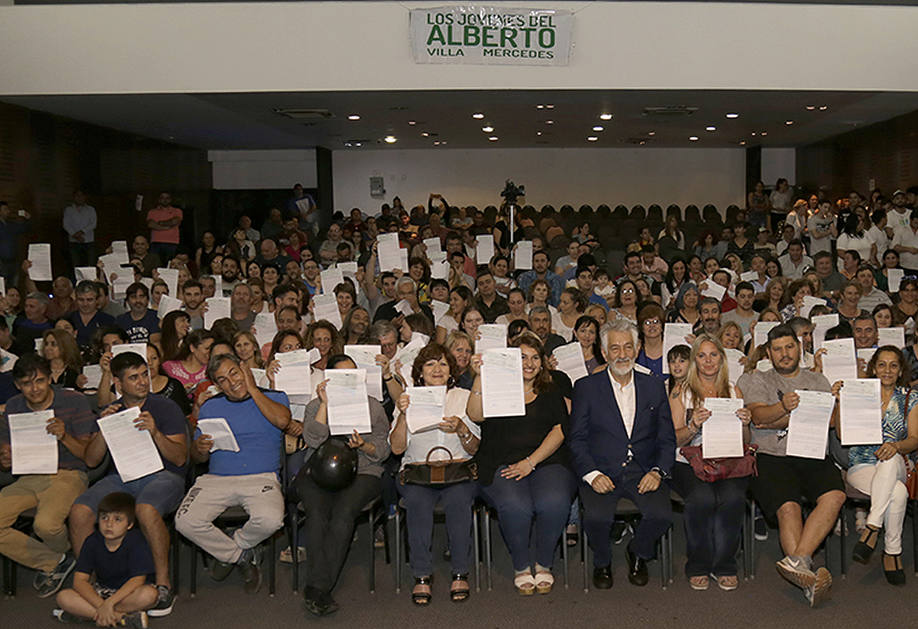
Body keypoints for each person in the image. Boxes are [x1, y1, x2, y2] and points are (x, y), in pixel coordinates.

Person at [70, 351, 188, 617]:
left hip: (163, 475)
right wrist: (104, 427)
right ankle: (92, 584)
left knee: (146, 509)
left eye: (144, 375)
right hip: (121, 478)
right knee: (79, 512)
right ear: (118, 383)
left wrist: (155, 432)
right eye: (134, 378)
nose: (143, 382)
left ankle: (162, 584)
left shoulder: (166, 407)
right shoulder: (112, 411)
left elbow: (180, 458)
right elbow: (91, 461)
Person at [737, 324, 845, 607]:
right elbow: (758, 417)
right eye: (777, 349)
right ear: (768, 353)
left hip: (811, 453)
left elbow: (830, 422)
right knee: (789, 507)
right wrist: (785, 407)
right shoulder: (756, 378)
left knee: (835, 494)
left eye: (789, 347)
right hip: (772, 456)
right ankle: (807, 577)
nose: (784, 354)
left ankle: (799, 562)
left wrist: (832, 405)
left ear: (799, 348)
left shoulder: (818, 380)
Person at [568, 319, 675, 589]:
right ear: (604, 353)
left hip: (643, 470)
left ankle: (638, 553)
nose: (623, 354)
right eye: (614, 348)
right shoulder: (586, 387)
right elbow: (577, 439)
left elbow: (666, 438)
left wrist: (657, 471)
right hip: (601, 469)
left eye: (628, 347)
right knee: (596, 518)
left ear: (638, 348)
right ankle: (602, 560)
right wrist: (592, 475)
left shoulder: (653, 387)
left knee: (662, 515)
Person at [467, 333, 575, 595]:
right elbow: (475, 414)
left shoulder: (551, 387)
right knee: (517, 507)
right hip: (499, 460)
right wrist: (480, 376)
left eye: (535, 357)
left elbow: (560, 430)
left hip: (545, 459)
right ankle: (521, 565)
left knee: (555, 502)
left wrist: (530, 462)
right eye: (522, 357)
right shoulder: (495, 384)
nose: (529, 363)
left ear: (542, 362)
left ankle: (544, 562)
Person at [176, 352, 291, 594]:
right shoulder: (210, 407)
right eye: (223, 380)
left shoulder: (275, 397)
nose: (232, 382)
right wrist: (199, 448)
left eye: (234, 373)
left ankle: (232, 546)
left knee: (271, 520)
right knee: (184, 521)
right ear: (217, 385)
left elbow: (282, 421)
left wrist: (252, 387)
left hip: (261, 477)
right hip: (217, 478)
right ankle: (240, 555)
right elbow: (198, 458)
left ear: (244, 368)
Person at [296, 354, 390, 616]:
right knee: (316, 514)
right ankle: (320, 589)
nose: (349, 380)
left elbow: (384, 449)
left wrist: (365, 446)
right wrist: (325, 405)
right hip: (319, 471)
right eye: (341, 376)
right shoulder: (315, 405)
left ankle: (318, 587)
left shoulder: (372, 406)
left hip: (362, 469)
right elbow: (313, 440)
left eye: (353, 374)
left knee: (343, 513)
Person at [0, 355, 97, 597]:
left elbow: (89, 456)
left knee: (46, 525)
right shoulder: (13, 406)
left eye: (40, 381)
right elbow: (5, 453)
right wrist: (5, 458)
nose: (34, 389)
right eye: (26, 383)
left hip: (68, 473)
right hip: (27, 475)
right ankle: (57, 561)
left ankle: (61, 560)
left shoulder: (74, 401)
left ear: (50, 379)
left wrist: (64, 436)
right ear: (17, 385)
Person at [390, 343, 479, 604]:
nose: (437, 369)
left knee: (459, 501)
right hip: (418, 472)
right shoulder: (408, 398)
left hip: (458, 471)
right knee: (417, 503)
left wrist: (462, 427)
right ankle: (421, 575)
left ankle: (460, 571)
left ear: (451, 369)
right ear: (420, 372)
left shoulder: (463, 396)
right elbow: (396, 448)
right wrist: (404, 415)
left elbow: (475, 446)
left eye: (442, 363)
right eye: (430, 364)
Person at [668, 335, 753, 591]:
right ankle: (698, 564)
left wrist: (746, 424)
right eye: (702, 355)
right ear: (695, 360)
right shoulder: (680, 391)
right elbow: (674, 438)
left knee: (733, 499)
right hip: (688, 461)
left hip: (728, 458)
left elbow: (745, 441)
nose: (708, 361)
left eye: (713, 355)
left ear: (722, 358)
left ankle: (725, 564)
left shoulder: (732, 389)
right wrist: (693, 425)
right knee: (701, 499)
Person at [838, 347, 918, 585]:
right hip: (861, 464)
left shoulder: (910, 397)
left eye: (893, 365)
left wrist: (896, 446)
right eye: (882, 364)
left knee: (890, 456)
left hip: (900, 462)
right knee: (898, 492)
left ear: (901, 369)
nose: (887, 370)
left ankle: (872, 526)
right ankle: (892, 552)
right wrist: (841, 403)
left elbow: (915, 439)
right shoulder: (858, 394)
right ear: (873, 368)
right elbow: (842, 435)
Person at [54, 492, 157, 628]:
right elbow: (79, 581)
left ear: (130, 524)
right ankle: (122, 618)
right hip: (102, 593)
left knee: (149, 595)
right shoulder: (92, 542)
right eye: (104, 518)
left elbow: (137, 580)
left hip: (128, 593)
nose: (109, 524)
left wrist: (109, 604)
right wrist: (102, 605)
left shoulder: (136, 541)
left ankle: (87, 614)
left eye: (117, 519)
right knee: (63, 597)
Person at [62, 190, 97, 270]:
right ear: (74, 198)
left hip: (88, 241)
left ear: (85, 197)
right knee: (75, 265)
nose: (79, 198)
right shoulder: (69, 210)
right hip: (73, 241)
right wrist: (75, 235)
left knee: (90, 264)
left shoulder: (91, 209)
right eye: (77, 196)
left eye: (81, 196)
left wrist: (82, 232)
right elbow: (66, 224)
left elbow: (93, 224)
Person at [145, 193, 183, 263]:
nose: (165, 200)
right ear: (159, 200)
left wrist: (160, 223)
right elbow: (150, 224)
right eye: (162, 198)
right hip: (156, 242)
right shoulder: (152, 212)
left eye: (167, 198)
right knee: (155, 264)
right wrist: (167, 227)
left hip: (172, 242)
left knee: (170, 265)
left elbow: (175, 221)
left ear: (170, 200)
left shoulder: (177, 211)